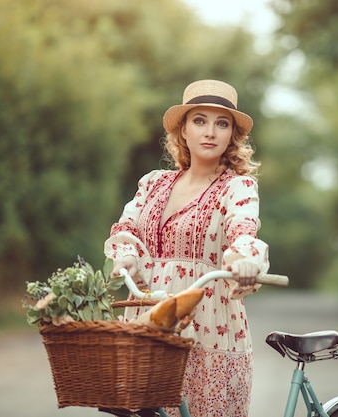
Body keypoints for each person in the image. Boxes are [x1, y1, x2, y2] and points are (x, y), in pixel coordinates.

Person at [104, 79, 269, 417]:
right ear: (183, 131)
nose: (210, 132)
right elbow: (126, 227)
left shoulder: (237, 187)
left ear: (231, 136)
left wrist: (247, 260)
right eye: (200, 120)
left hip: (208, 323)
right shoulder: (153, 183)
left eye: (221, 123)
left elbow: (243, 228)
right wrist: (127, 255)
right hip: (150, 320)